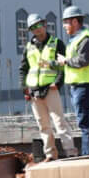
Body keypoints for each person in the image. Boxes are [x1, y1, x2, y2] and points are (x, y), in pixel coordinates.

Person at [59, 6, 89, 154]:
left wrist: (65, 61)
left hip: (85, 84)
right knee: (84, 120)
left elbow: (83, 60)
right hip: (79, 84)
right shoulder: (76, 39)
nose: (64, 26)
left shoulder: (86, 39)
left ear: (74, 21)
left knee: (84, 121)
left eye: (66, 22)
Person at [21, 12, 67, 159]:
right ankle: (50, 154)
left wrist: (57, 83)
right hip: (34, 91)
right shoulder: (29, 47)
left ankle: (70, 152)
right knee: (43, 125)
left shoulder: (57, 43)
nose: (37, 29)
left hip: (51, 88)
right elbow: (23, 69)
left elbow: (63, 66)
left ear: (45, 24)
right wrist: (24, 88)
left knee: (59, 123)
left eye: (39, 25)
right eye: (33, 27)